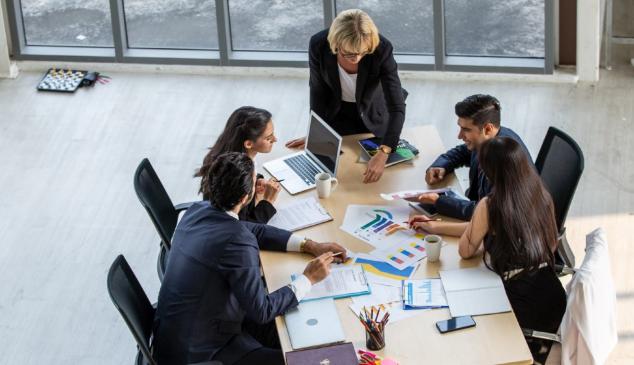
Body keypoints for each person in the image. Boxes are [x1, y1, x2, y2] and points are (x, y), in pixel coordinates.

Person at [154, 152, 347, 365]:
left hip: (175, 336)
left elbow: (255, 230)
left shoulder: (196, 211)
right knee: (309, 359)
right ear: (246, 198)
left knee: (293, 330)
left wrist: (310, 245)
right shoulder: (237, 243)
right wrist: (308, 278)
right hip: (203, 353)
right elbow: (262, 311)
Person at [409, 137, 566, 361]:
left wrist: (464, 224)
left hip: (519, 310)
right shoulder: (542, 195)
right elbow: (551, 244)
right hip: (551, 295)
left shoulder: (491, 205)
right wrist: (436, 226)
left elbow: (466, 249)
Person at [286, 9, 407, 184]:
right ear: (335, 43)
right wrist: (317, 133)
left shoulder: (382, 49)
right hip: (337, 112)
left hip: (374, 113)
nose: (356, 58)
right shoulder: (318, 44)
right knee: (337, 172)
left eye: (363, 53)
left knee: (376, 177)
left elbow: (396, 106)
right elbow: (318, 91)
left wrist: (384, 153)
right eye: (349, 54)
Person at [416, 94, 533, 221]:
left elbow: (489, 214)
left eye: (466, 129)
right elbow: (463, 152)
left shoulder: (504, 161)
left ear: (488, 129)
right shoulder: (489, 139)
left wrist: (440, 202)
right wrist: (441, 165)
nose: (459, 136)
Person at [195, 106, 281, 223]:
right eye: (268, 138)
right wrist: (268, 202)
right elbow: (244, 227)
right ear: (249, 144)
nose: (275, 139)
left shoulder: (228, 161)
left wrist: (256, 181)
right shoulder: (235, 178)